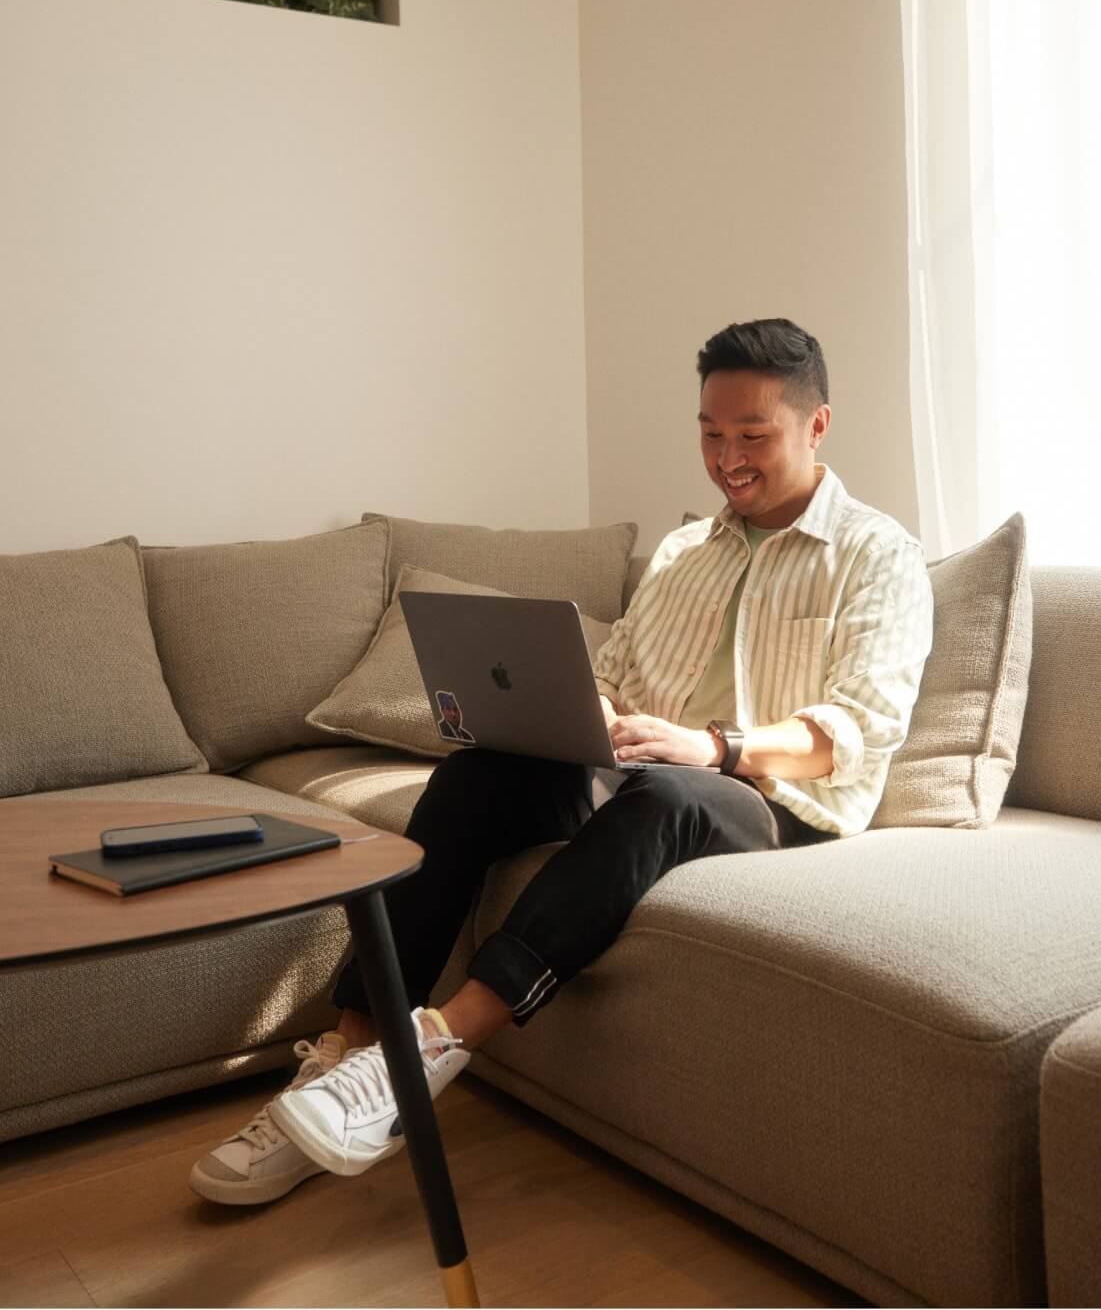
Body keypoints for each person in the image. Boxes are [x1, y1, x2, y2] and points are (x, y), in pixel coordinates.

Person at [189, 317, 934, 1205]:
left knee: (669, 793)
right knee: (475, 778)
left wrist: (716, 746)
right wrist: (578, 714)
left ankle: (434, 1048)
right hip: (638, 772)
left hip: (770, 801)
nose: (726, 457)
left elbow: (857, 728)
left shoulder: (878, 556)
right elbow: (616, 678)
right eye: (709, 432)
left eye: (752, 436)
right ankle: (351, 1054)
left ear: (817, 426)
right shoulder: (685, 551)